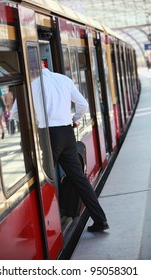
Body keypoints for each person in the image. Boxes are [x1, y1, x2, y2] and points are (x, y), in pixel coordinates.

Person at [40, 61, 109, 232]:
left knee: (44, 178)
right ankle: (100, 220)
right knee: (80, 180)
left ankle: (48, 226)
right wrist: (74, 120)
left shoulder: (33, 84)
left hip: (50, 135)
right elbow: (83, 105)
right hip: (67, 133)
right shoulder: (63, 79)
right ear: (45, 64)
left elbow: (15, 114)